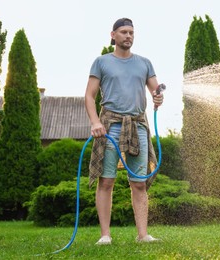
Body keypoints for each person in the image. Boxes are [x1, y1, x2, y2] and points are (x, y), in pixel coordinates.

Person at [84, 18, 164, 245]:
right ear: (113, 35)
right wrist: (94, 122)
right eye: (123, 32)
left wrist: (158, 96)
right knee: (106, 181)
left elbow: (155, 89)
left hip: (137, 125)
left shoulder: (144, 63)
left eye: (131, 32)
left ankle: (143, 235)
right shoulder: (101, 62)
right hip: (110, 125)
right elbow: (89, 96)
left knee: (138, 183)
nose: (128, 36)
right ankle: (105, 236)